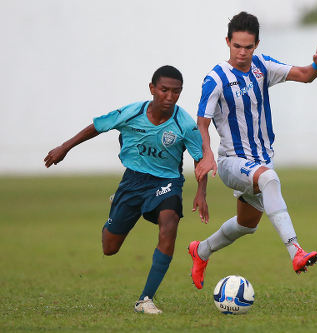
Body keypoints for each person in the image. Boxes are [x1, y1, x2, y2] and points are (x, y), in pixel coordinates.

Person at [44, 65, 208, 313]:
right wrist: (64, 148)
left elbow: (200, 158)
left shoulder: (184, 124)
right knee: (109, 248)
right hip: (133, 182)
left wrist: (201, 193)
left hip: (167, 182)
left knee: (170, 222)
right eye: (164, 90)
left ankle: (145, 299)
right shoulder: (132, 113)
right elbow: (97, 126)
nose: (169, 97)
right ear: (152, 88)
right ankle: (118, 203)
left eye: (176, 92)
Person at [188, 11, 317, 289]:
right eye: (237, 46)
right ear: (228, 41)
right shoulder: (215, 79)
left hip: (261, 161)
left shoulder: (262, 66)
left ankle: (201, 251)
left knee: (246, 225)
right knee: (269, 179)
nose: (242, 53)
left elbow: (304, 75)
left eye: (248, 47)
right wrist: (206, 155)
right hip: (232, 162)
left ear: (257, 45)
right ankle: (296, 251)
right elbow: (201, 124)